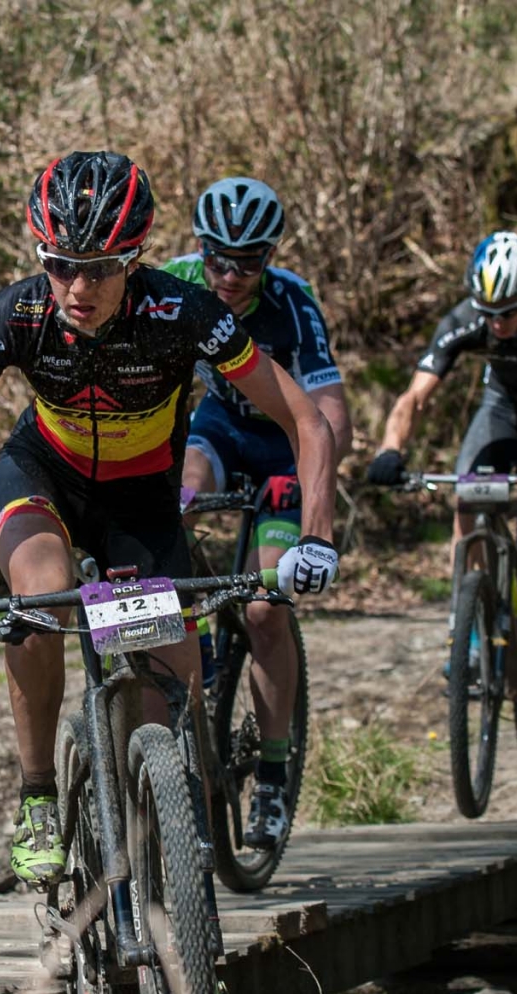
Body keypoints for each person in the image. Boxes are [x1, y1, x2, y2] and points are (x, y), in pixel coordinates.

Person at [0, 151, 342, 890]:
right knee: (39, 601)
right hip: (42, 479)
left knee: (169, 709)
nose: (78, 286)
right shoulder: (17, 315)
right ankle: (38, 794)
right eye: (60, 263)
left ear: (134, 258)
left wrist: (317, 535)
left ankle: (168, 887)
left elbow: (306, 420)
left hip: (140, 500)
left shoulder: (184, 312)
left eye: (101, 266)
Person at [163, 176, 348, 851]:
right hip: (219, 426)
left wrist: (313, 518)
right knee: (176, 492)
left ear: (269, 256)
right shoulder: (176, 283)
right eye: (217, 258)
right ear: (200, 249)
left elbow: (328, 417)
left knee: (269, 606)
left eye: (247, 261)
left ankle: (272, 773)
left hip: (283, 447)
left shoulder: (292, 304)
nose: (229, 275)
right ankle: (198, 637)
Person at [365, 230, 517, 701]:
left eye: (508, 313)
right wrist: (390, 449)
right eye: (488, 313)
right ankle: (470, 638)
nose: (496, 324)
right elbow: (415, 397)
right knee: (465, 508)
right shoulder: (465, 319)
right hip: (503, 412)